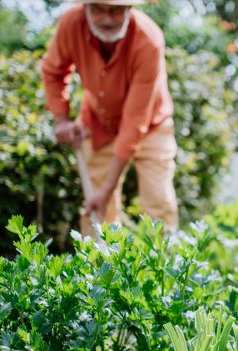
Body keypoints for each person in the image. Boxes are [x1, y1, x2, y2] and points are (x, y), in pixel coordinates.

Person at [41, 0, 179, 231]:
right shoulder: (71, 24)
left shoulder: (149, 41)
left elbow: (135, 122)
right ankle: (97, 265)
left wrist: (107, 189)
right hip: (98, 122)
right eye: (98, 10)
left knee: (159, 202)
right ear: (85, 7)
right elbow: (52, 71)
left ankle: (164, 265)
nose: (107, 19)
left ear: (129, 8)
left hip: (152, 125)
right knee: (97, 212)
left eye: (115, 10)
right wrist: (61, 119)